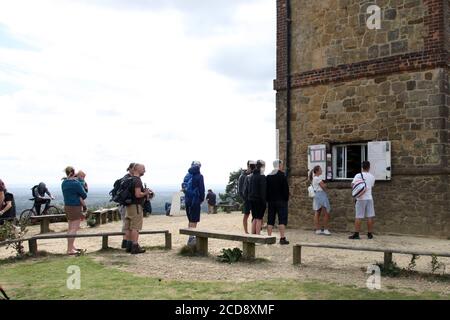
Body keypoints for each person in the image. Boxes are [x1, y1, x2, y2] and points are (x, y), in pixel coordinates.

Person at [124, 163, 153, 254]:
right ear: (137, 169)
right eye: (143, 169)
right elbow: (137, 194)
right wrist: (145, 193)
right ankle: (135, 246)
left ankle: (128, 246)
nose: (144, 170)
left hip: (128, 206)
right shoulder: (137, 180)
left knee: (128, 227)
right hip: (136, 206)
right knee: (135, 227)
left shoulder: (130, 179)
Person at [61, 166, 87, 255]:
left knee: (70, 228)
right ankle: (69, 249)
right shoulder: (76, 183)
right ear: (73, 172)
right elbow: (84, 195)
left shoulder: (64, 183)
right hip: (75, 207)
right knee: (74, 229)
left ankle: (71, 246)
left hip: (67, 206)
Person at [349, 161, 376, 240]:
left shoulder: (358, 175)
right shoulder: (372, 177)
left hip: (360, 198)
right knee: (369, 216)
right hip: (369, 198)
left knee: (359, 216)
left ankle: (357, 234)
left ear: (362, 167)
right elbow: (371, 186)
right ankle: (370, 234)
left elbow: (352, 185)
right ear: (369, 167)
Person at [266, 159, 290, 244]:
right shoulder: (282, 175)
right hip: (281, 201)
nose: (282, 166)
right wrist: (286, 199)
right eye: (281, 165)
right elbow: (286, 190)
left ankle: (268, 238)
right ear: (279, 165)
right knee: (282, 219)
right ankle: (282, 238)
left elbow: (266, 190)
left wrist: (268, 199)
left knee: (270, 219)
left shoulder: (268, 176)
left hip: (271, 201)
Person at [182, 161, 205, 245]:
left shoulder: (187, 176)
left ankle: (190, 236)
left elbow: (184, 188)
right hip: (195, 200)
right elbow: (201, 189)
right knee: (194, 219)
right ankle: (192, 238)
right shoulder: (199, 176)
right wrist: (201, 199)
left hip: (187, 200)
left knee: (190, 219)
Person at [117, 163, 135, 249]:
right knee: (128, 224)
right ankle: (127, 242)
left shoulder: (125, 178)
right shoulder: (129, 179)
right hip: (126, 205)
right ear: (130, 169)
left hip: (123, 204)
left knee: (126, 223)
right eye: (134, 168)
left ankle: (125, 242)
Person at [309, 165, 331, 235]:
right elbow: (323, 186)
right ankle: (325, 229)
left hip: (317, 195)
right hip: (321, 195)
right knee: (326, 212)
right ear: (317, 171)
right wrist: (325, 186)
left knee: (317, 212)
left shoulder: (314, 178)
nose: (321, 170)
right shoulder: (317, 178)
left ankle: (318, 229)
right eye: (320, 169)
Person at [246, 160, 266, 235]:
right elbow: (263, 191)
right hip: (259, 200)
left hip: (251, 199)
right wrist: (264, 202)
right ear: (262, 166)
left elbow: (249, 189)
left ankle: (252, 236)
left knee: (254, 218)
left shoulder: (251, 176)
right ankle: (258, 237)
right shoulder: (262, 176)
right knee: (259, 219)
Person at [238, 161, 256, 234]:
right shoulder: (242, 176)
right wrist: (245, 199)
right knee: (246, 215)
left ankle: (253, 231)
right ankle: (246, 232)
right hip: (247, 200)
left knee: (255, 215)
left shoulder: (253, 175)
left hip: (253, 199)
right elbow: (240, 190)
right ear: (248, 166)